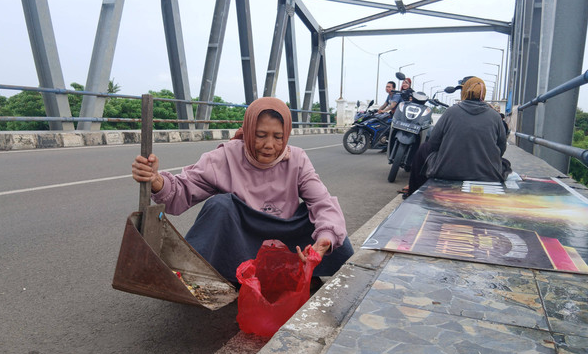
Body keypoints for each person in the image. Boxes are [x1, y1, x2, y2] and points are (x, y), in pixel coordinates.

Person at [131, 97, 354, 284]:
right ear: (248, 131)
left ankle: (300, 267)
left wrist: (323, 241)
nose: (269, 145)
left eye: (278, 137)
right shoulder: (225, 157)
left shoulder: (297, 159)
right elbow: (181, 192)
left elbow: (321, 201)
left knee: (331, 228)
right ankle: (199, 275)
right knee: (220, 205)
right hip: (242, 242)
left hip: (285, 239)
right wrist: (157, 181)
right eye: (260, 135)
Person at [404, 76, 511, 198]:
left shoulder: (451, 112)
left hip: (447, 172)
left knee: (423, 149)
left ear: (464, 91)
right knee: (505, 163)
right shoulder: (495, 116)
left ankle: (413, 194)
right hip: (488, 174)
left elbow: (433, 142)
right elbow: (501, 148)